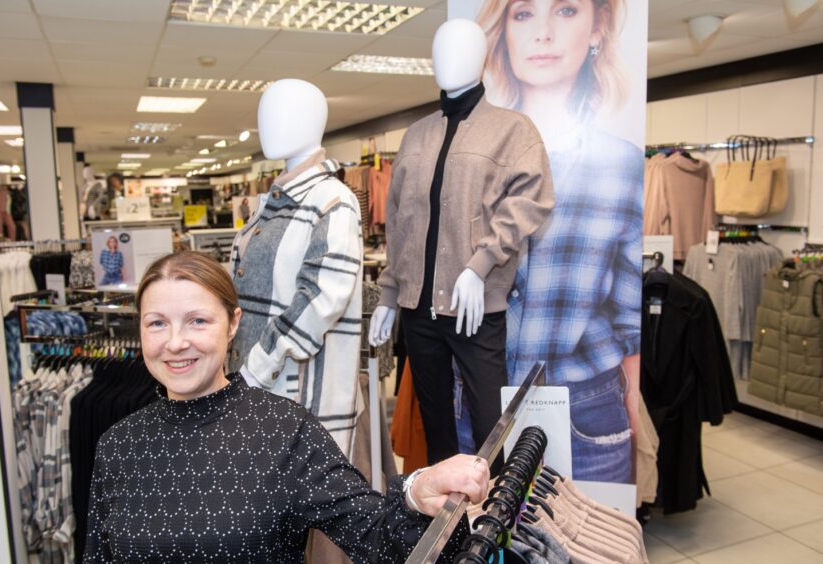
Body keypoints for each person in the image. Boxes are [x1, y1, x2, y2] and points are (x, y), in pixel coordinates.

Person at [83, 251, 486, 562]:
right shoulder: (118, 446)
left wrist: (418, 492)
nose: (174, 342)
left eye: (197, 321)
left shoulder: (282, 430)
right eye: (157, 323)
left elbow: (377, 538)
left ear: (233, 323)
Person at [477, 0, 642, 483]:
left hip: (583, 404)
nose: (543, 33)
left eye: (566, 10)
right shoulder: (471, 162)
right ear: (503, 31)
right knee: (480, 553)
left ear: (598, 27)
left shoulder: (622, 165)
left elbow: (630, 318)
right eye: (524, 13)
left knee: (586, 553)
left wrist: (635, 413)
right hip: (480, 398)